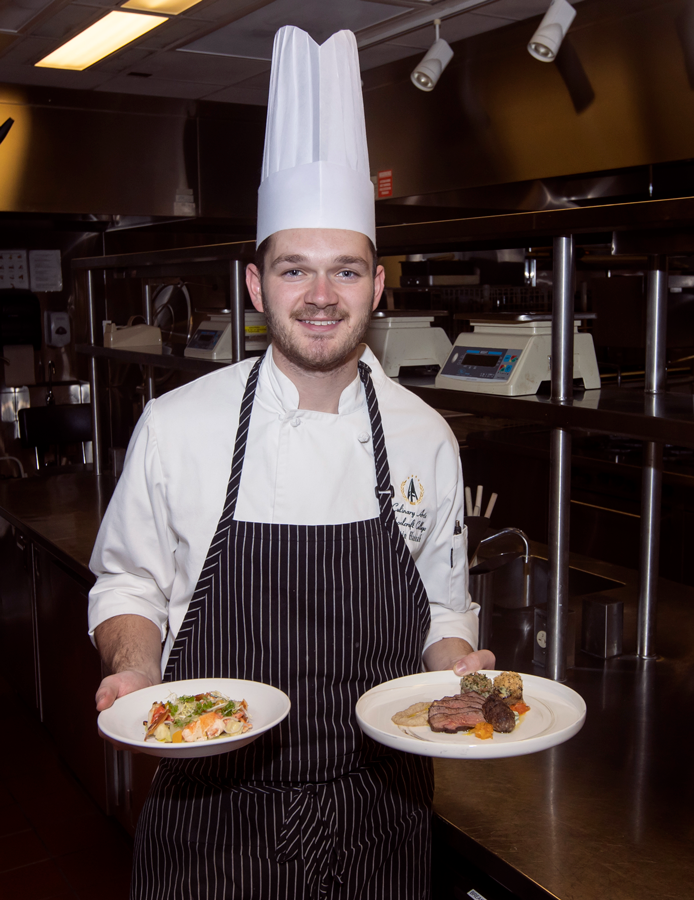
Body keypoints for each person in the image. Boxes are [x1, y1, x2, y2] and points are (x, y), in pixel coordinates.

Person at [89, 26, 494, 900]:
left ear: (378, 286)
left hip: (380, 812)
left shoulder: (424, 434)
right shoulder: (176, 424)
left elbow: (442, 599)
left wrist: (459, 662)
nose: (320, 298)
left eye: (345, 272)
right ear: (254, 284)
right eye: (294, 271)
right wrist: (139, 671)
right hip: (209, 811)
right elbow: (126, 585)